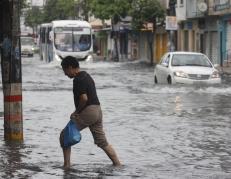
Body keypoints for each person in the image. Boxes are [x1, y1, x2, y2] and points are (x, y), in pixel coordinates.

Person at [60, 56, 121, 168]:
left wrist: (76, 112)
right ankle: (118, 164)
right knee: (102, 142)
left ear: (70, 67)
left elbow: (84, 98)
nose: (65, 74)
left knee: (64, 135)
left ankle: (66, 166)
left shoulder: (78, 79)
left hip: (89, 111)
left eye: (65, 70)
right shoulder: (87, 75)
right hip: (98, 110)